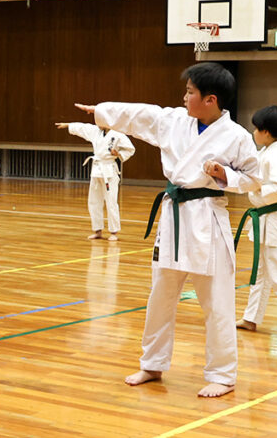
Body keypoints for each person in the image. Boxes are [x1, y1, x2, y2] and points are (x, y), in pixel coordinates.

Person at [75, 61, 260, 397]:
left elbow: (253, 179)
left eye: (190, 92)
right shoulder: (175, 121)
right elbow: (139, 115)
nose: (184, 97)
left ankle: (222, 374)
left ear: (210, 100)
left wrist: (223, 174)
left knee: (216, 301)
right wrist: (102, 112)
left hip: (207, 219)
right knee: (160, 295)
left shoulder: (237, 137)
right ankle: (152, 363)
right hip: (174, 218)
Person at [235, 105, 277, 341]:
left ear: (265, 131)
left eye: (256, 128)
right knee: (261, 272)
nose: (253, 132)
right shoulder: (265, 153)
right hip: (265, 217)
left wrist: (256, 190)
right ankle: (251, 317)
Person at [55, 121, 135, 240]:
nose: (98, 124)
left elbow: (130, 149)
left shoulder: (118, 134)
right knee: (94, 201)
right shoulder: (95, 131)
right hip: (96, 169)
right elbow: (82, 128)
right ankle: (98, 231)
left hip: (109, 171)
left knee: (111, 202)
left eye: (100, 121)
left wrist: (118, 154)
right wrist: (68, 125)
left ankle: (114, 232)